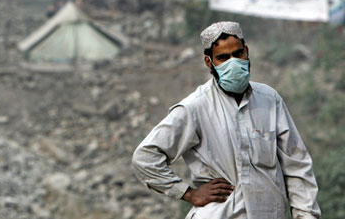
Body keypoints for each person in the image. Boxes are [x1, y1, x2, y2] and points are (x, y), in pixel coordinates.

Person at [132, 21, 320, 219]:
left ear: (246, 51)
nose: (233, 62)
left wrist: (306, 215)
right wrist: (188, 193)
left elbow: (297, 165)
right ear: (209, 62)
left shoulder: (269, 99)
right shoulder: (195, 107)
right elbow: (145, 158)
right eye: (223, 58)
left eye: (238, 54)